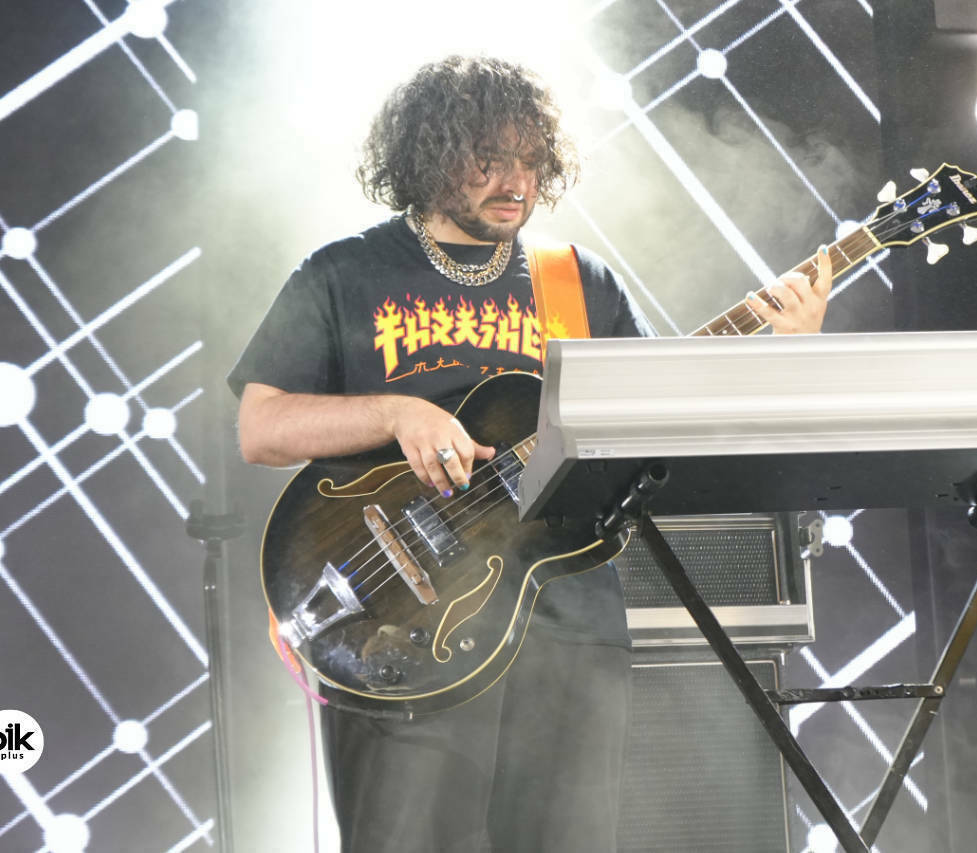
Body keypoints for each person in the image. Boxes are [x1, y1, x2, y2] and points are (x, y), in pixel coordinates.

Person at [229, 55, 830, 853]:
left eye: (530, 160)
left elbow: (661, 432)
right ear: (429, 156)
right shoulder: (345, 273)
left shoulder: (578, 282)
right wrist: (396, 411)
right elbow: (261, 427)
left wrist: (778, 357)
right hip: (404, 622)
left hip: (570, 630)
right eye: (488, 159)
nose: (516, 181)